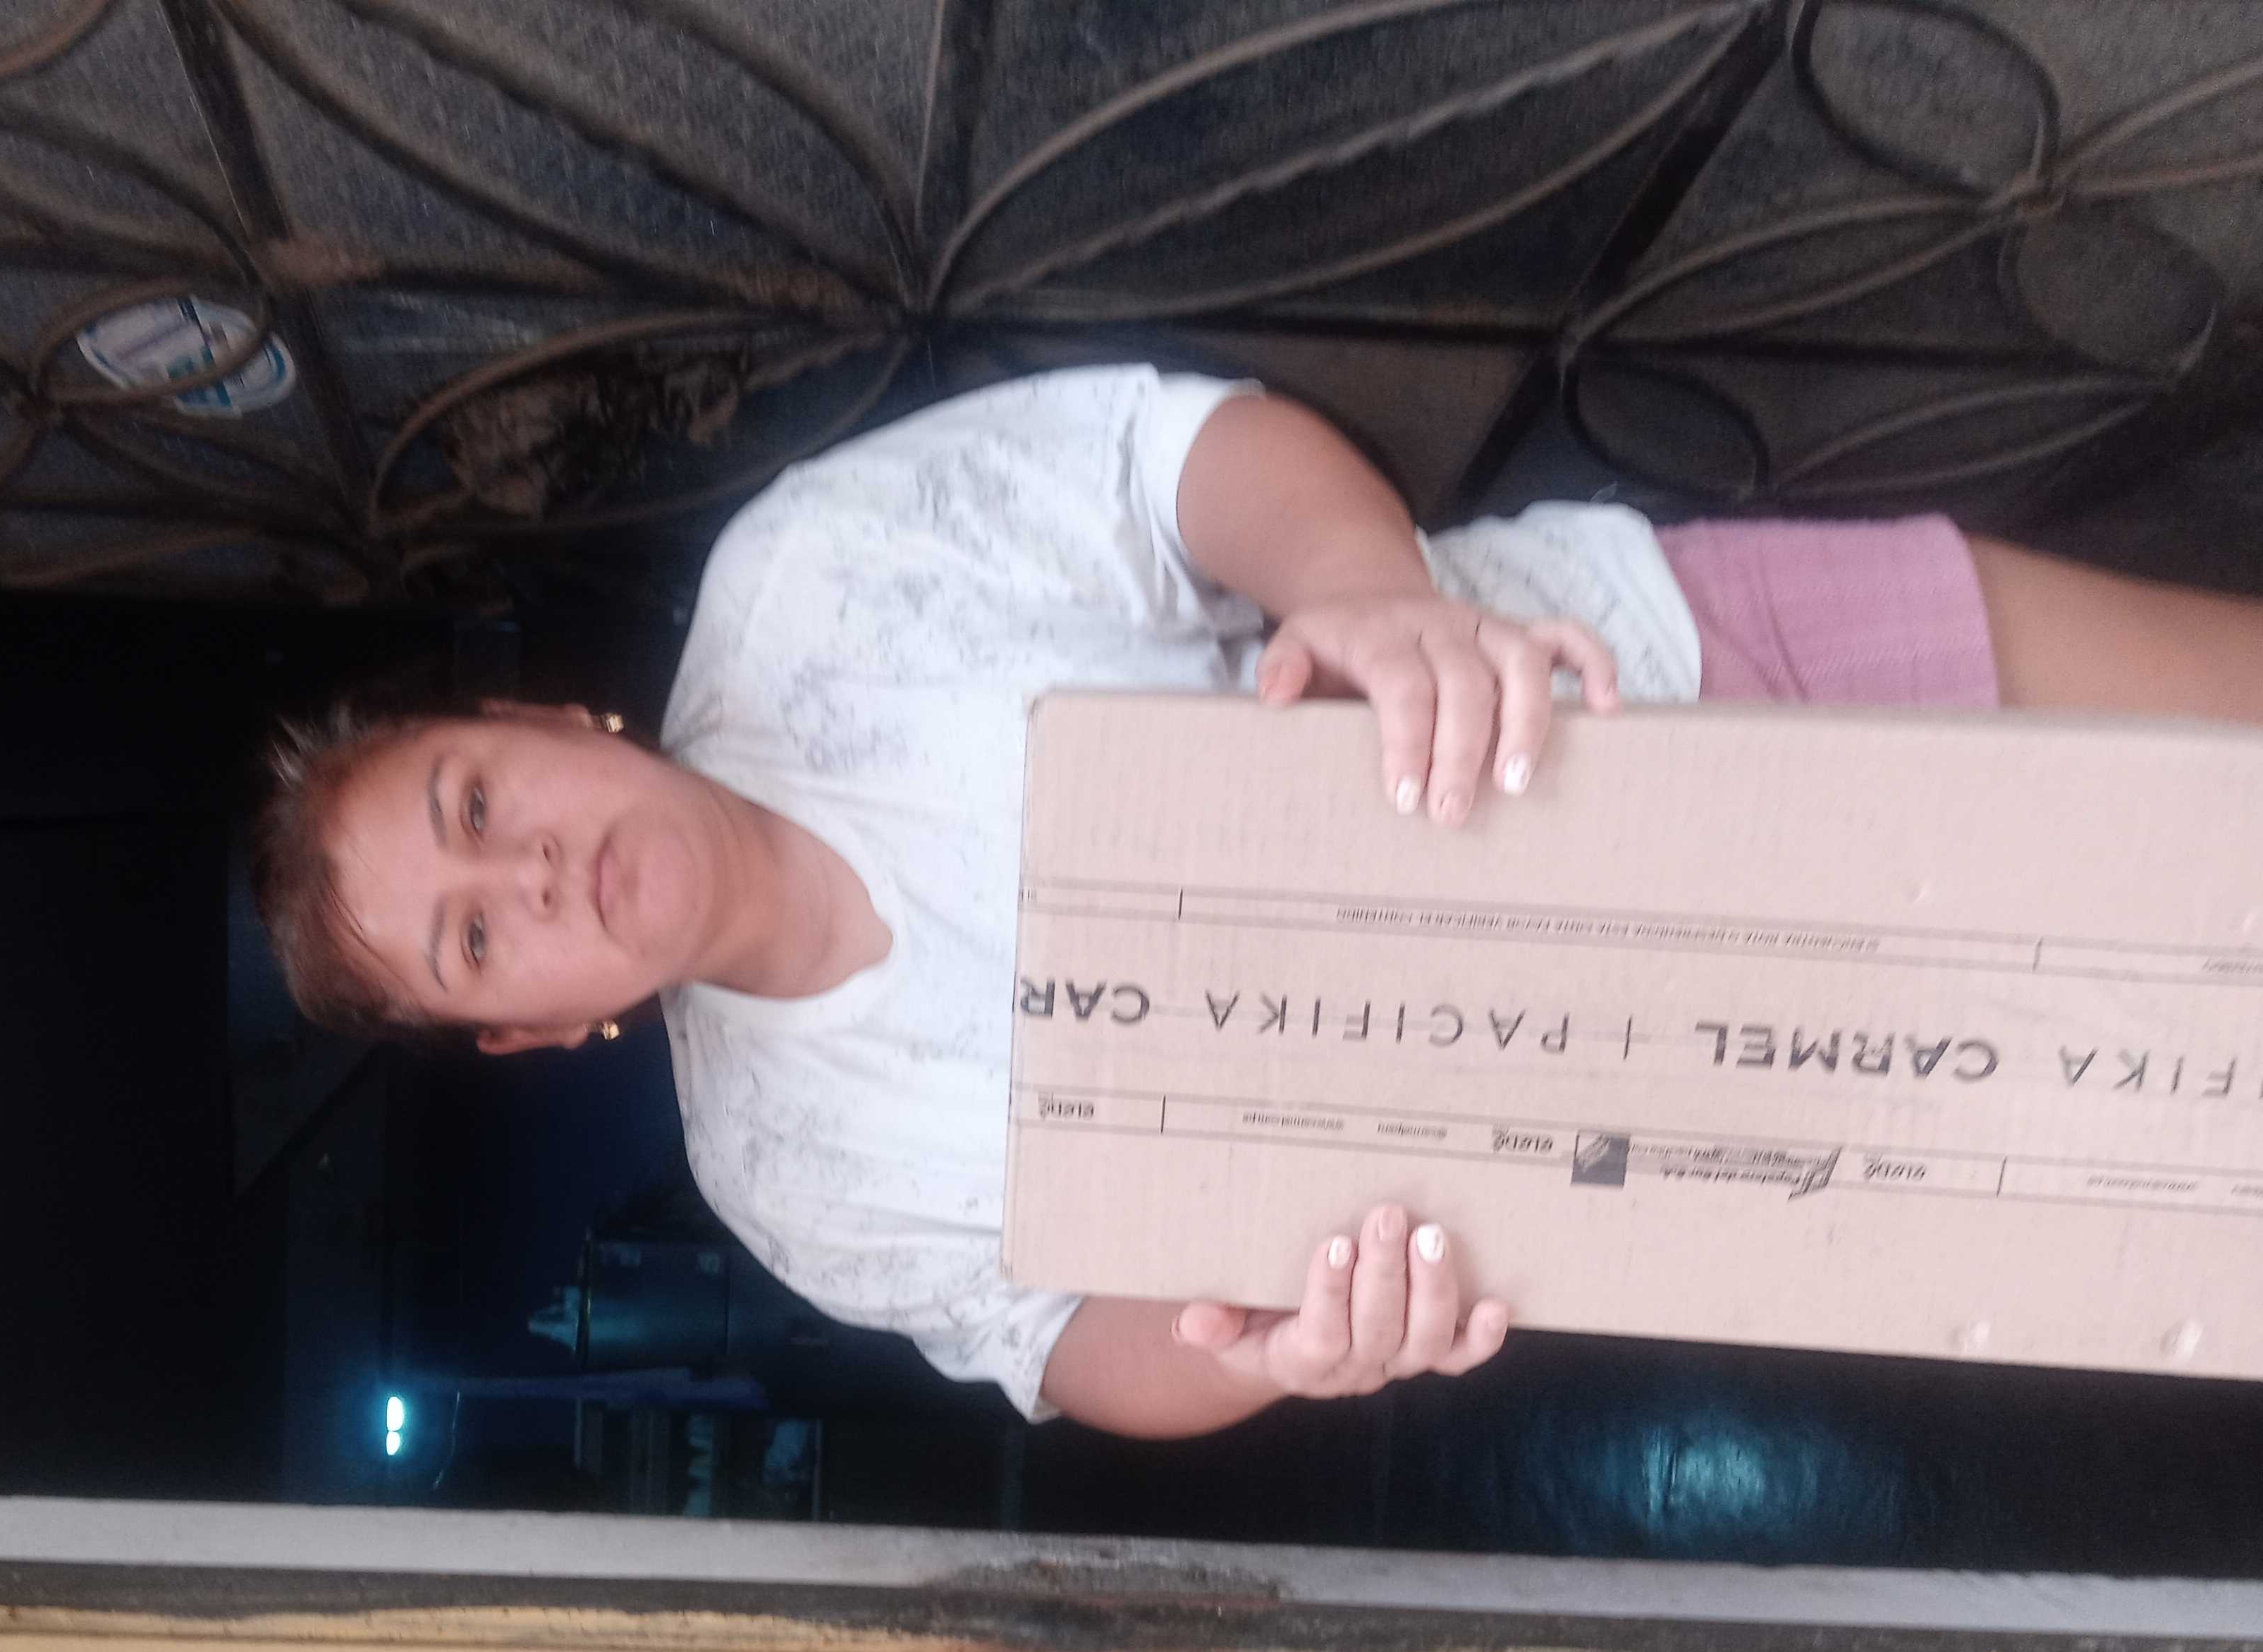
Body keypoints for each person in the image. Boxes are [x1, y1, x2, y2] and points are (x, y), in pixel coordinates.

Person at [251, 367, 2263, 1438]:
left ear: (535, 721)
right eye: (477, 937)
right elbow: (1066, 1349)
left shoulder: (811, 575)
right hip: (1739, 1120)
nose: (531, 872)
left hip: (1675, 686)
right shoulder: (790, 1178)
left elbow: (1183, 457)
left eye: (475, 802)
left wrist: (1369, 595)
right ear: (531, 1026)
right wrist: (1272, 1347)